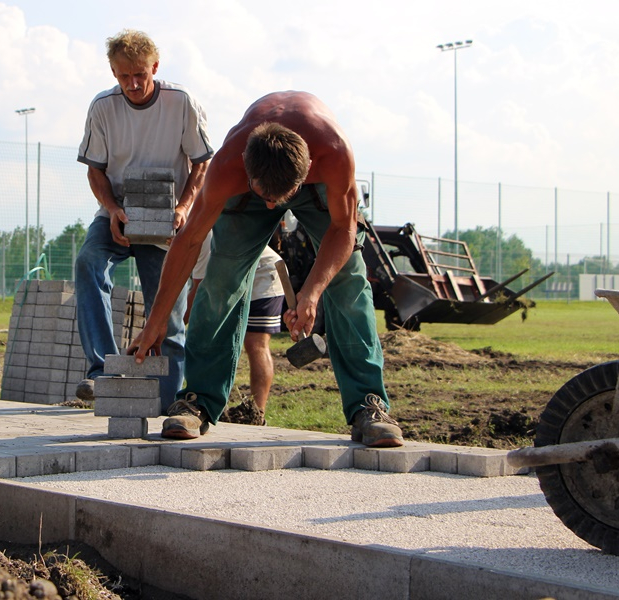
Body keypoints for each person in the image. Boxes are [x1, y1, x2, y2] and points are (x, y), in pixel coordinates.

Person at [131, 91, 403, 447]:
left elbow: (343, 230)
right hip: (248, 184)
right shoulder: (228, 165)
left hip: (314, 181)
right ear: (246, 162)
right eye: (266, 197)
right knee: (222, 280)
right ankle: (197, 400)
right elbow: (188, 242)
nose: (273, 206)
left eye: (280, 198)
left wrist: (312, 293)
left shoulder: (334, 153)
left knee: (349, 279)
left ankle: (370, 406)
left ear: (306, 168)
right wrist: (157, 320)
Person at [74, 29, 213, 413]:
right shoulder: (103, 107)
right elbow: (96, 171)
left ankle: (168, 403)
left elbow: (202, 162)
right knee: (88, 261)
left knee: (167, 313)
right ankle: (101, 370)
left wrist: (184, 207)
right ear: (113, 73)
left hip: (166, 221)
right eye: (123, 77)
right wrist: (113, 209)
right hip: (118, 212)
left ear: (155, 66)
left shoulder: (180, 102)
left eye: (140, 74)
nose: (133, 84)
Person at [186, 230, 285, 423]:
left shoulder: (203, 238)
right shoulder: (191, 241)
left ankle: (257, 413)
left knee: (256, 343)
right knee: (222, 338)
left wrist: (174, 327)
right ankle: (215, 404)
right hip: (238, 274)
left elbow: (198, 291)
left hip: (264, 273)